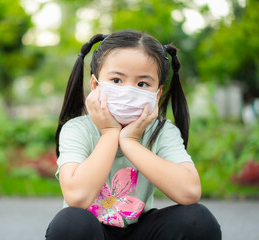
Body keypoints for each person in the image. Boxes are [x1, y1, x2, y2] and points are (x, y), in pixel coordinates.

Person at [45, 30, 221, 240]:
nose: (128, 90)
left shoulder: (162, 131)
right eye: (117, 80)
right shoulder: (77, 129)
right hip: (94, 232)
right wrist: (110, 133)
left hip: (142, 231)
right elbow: (77, 198)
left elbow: (189, 192)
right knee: (70, 224)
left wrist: (129, 141)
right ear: (95, 85)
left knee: (198, 220)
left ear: (157, 94)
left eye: (142, 84)